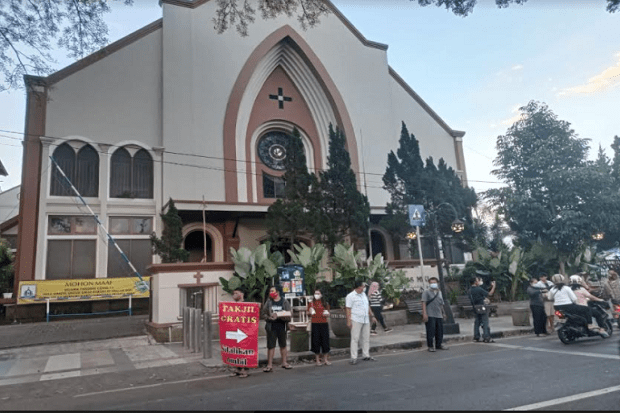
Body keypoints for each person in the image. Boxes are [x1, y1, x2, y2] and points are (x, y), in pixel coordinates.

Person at [260, 285, 293, 372]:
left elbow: (289, 314)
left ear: (277, 292)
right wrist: (269, 318)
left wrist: (281, 316)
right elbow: (263, 314)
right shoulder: (269, 302)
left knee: (283, 345)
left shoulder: (284, 302)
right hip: (271, 327)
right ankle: (269, 365)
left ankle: (284, 363)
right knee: (271, 346)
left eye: (273, 291)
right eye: (270, 291)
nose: (271, 293)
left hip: (282, 326)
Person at [346, 280, 377, 365]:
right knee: (355, 338)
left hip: (365, 319)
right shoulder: (350, 296)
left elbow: (367, 306)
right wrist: (349, 321)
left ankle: (366, 354)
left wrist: (372, 316)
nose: (364, 288)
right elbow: (348, 309)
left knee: (366, 338)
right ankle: (353, 357)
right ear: (359, 287)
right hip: (356, 319)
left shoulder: (364, 295)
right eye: (363, 286)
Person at [422, 277, 448, 352]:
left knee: (439, 331)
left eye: (434, 282)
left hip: (438, 314)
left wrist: (443, 313)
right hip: (430, 314)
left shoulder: (439, 292)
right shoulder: (426, 292)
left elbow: (441, 304)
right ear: (429, 284)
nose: (433, 284)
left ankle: (438, 344)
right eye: (431, 283)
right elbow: (423, 303)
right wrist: (424, 313)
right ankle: (430, 346)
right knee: (430, 331)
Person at [307, 289, 331, 366]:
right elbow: (307, 312)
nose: (316, 295)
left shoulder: (325, 303)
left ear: (321, 295)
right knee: (316, 341)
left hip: (324, 323)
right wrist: (310, 312)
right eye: (315, 293)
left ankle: (325, 360)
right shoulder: (311, 303)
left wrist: (327, 314)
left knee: (325, 341)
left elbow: (328, 312)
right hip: (315, 323)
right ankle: (317, 360)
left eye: (318, 293)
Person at [469, 277, 496, 343]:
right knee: (485, 322)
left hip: (475, 307)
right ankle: (486, 337)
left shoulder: (470, 290)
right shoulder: (479, 289)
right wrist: (493, 287)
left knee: (477, 322)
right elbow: (490, 294)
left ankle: (476, 336)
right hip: (482, 307)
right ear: (475, 282)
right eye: (478, 280)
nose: (479, 281)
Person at [230, 287, 249, 378]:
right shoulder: (232, 306)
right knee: (235, 350)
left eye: (236, 293)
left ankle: (244, 369)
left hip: (245, 331)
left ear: (241, 294)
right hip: (235, 330)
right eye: (234, 293)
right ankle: (237, 368)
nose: (234, 295)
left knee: (244, 351)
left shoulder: (248, 305)